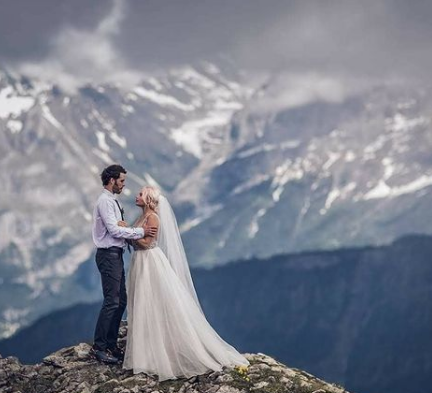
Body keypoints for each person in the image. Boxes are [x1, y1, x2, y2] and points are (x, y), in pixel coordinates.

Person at [121, 186, 249, 381]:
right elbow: (139, 238)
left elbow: (147, 243)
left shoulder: (152, 217)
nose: (136, 196)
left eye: (140, 194)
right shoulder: (143, 218)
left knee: (150, 303)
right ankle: (147, 353)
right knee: (143, 304)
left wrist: (128, 234)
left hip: (149, 263)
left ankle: (159, 355)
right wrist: (130, 233)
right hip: (141, 263)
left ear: (148, 199)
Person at [90, 165, 158, 364]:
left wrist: (127, 228)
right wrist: (140, 232)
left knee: (120, 301)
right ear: (111, 180)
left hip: (115, 255)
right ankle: (100, 347)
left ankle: (110, 345)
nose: (123, 185)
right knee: (112, 301)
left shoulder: (112, 201)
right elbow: (113, 230)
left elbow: (118, 229)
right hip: (108, 255)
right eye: (121, 181)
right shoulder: (105, 202)